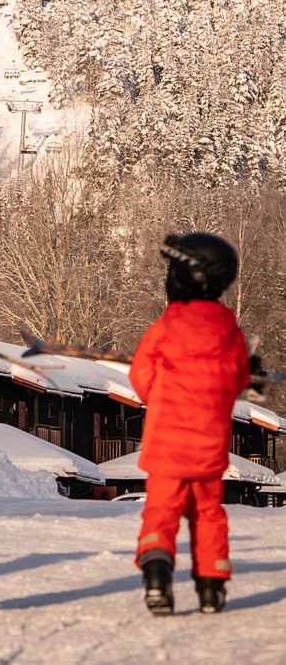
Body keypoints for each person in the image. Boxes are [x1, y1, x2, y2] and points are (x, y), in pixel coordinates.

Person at [129, 232, 251, 616]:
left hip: (165, 447)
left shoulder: (164, 329)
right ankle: (211, 588)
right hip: (208, 450)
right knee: (209, 516)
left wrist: (163, 399)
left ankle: (156, 576)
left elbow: (140, 379)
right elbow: (237, 382)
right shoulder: (229, 333)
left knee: (160, 513)